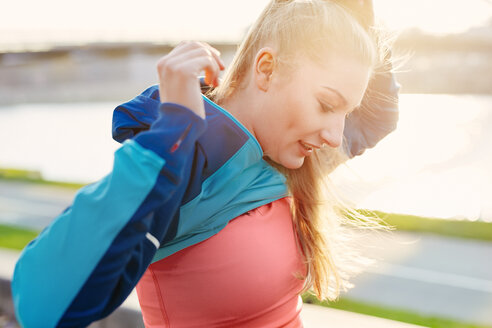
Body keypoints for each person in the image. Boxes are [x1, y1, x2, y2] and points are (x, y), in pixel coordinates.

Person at [11, 0, 400, 327]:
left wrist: (350, 11)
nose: (335, 135)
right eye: (328, 105)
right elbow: (43, 307)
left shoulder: (293, 155)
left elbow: (379, 116)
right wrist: (171, 132)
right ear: (266, 69)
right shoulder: (184, 165)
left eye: (345, 113)